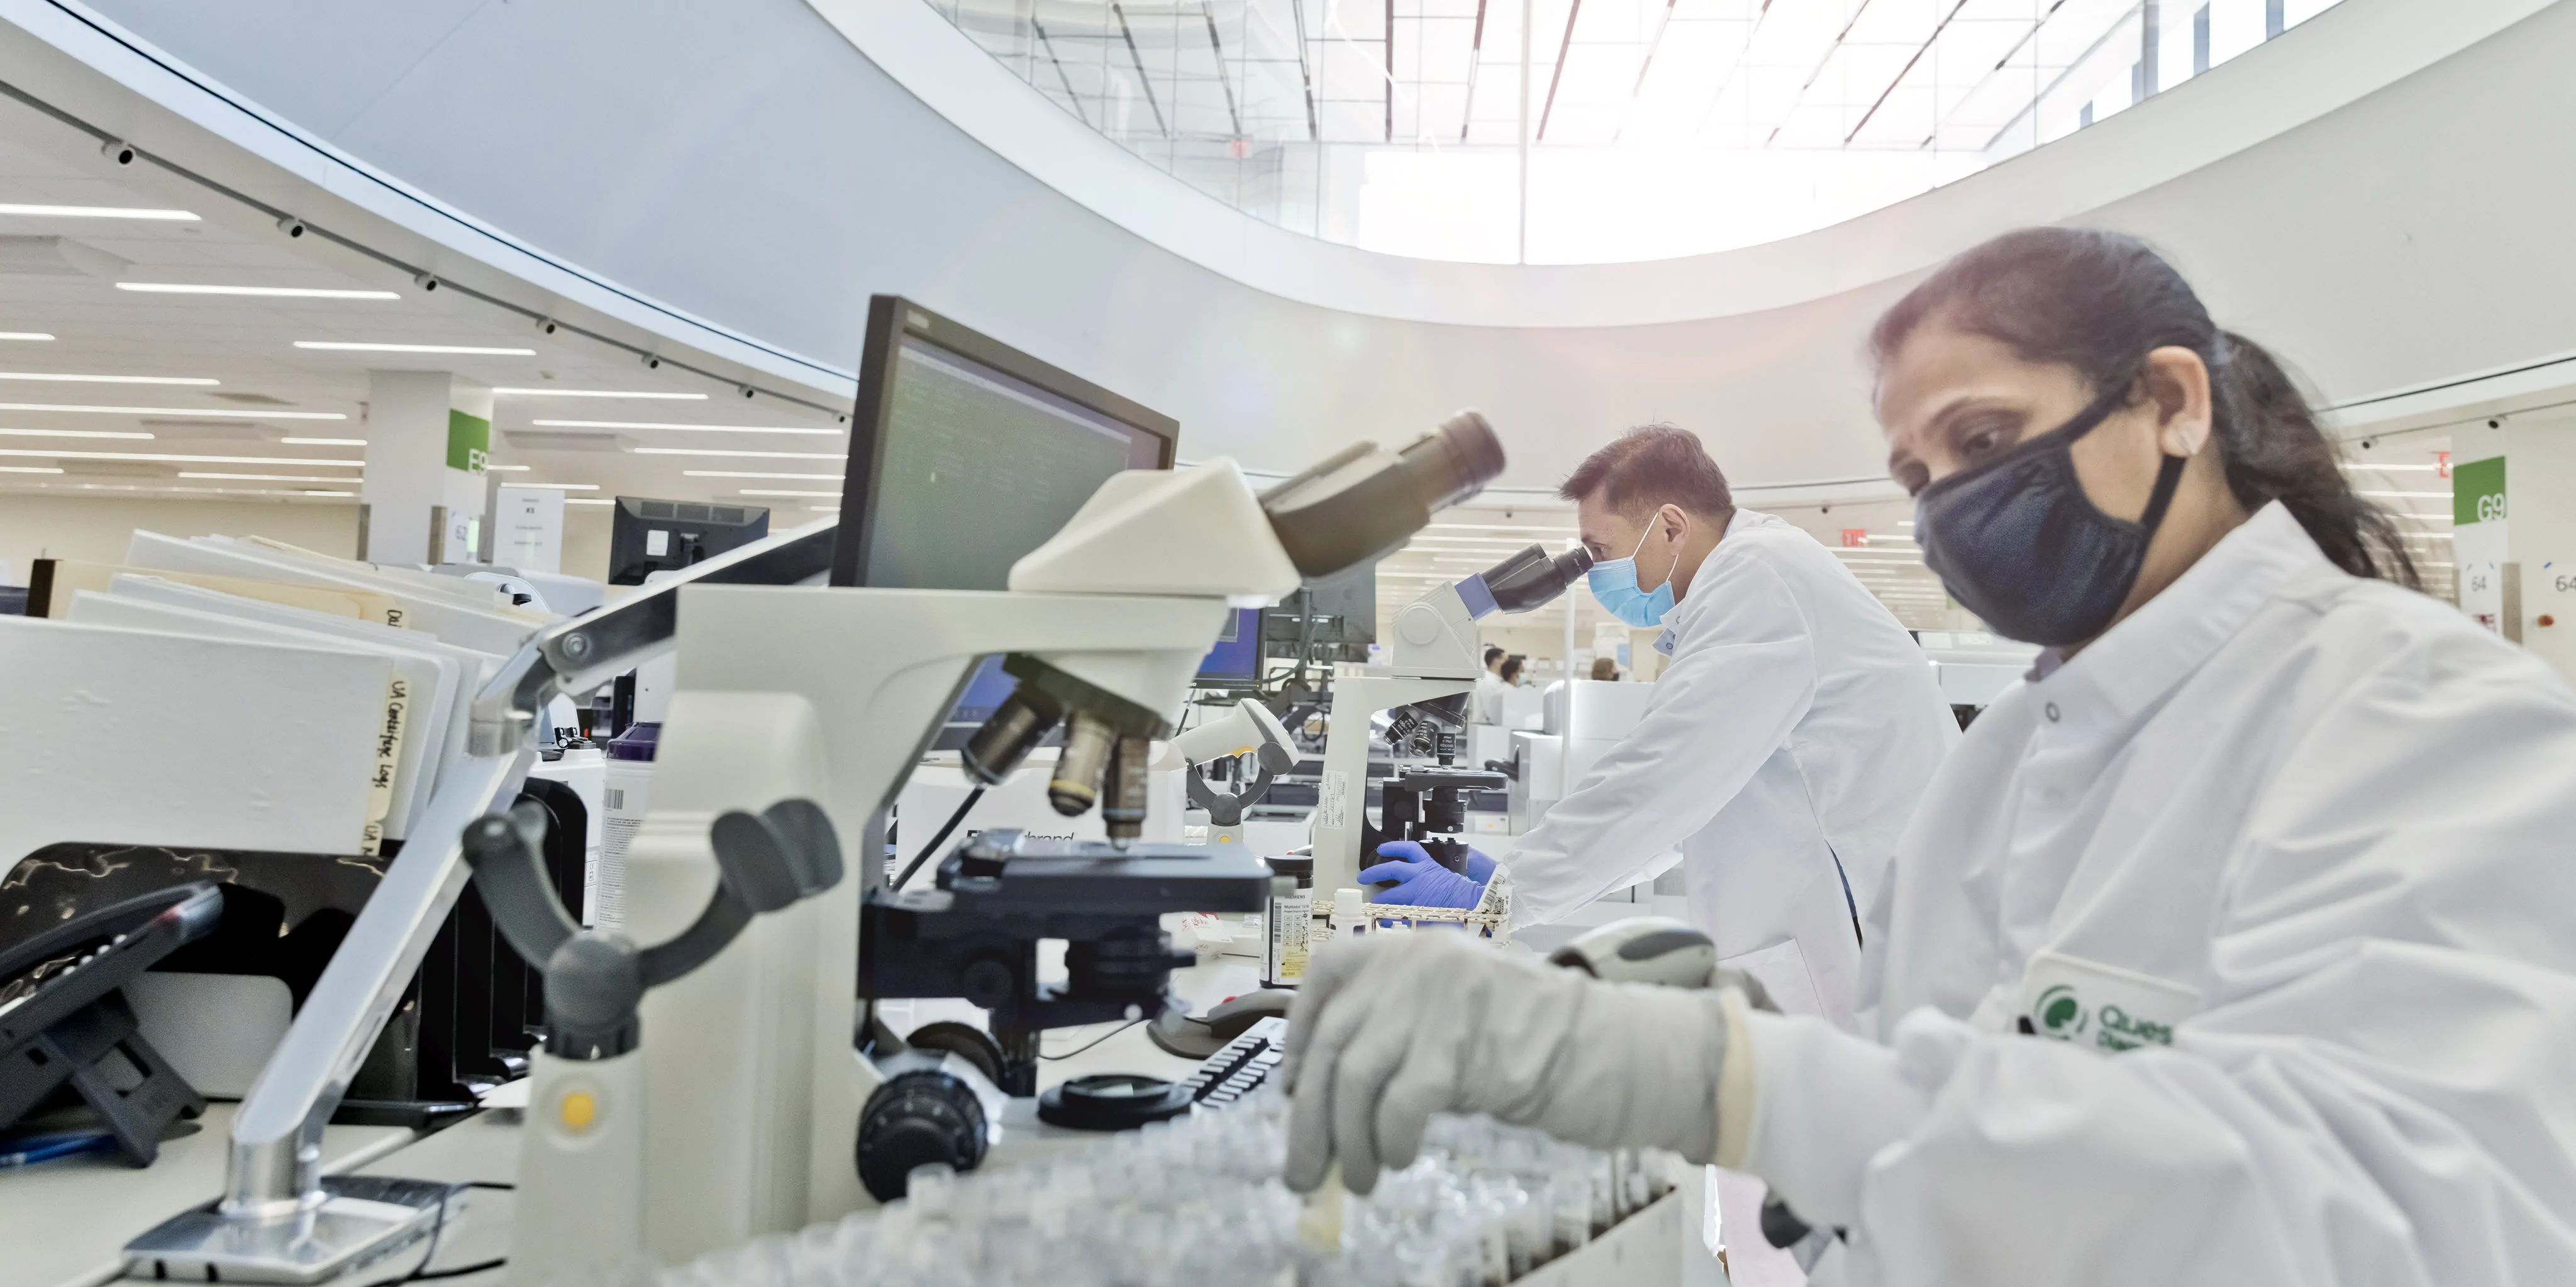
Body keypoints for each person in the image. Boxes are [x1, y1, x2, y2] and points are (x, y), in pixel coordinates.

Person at [1281, 227, 2576, 1283]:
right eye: (1913, 472)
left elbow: (2413, 1230)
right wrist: (1842, 1168)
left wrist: (1742, 1084)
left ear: (2170, 402)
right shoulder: (2015, 751)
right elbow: (1940, 1123)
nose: (1945, 504)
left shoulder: (2426, 718)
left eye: (1980, 441)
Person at [1363, 424, 1957, 1032]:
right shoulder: (1750, 580)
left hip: (1861, 933)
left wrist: (1506, 895)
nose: (1594, 575)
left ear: (1672, 527)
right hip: (1843, 927)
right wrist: (1515, 881)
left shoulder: (1759, 579)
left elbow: (1661, 777)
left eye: (1600, 550)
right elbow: (1683, 808)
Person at [1474, 644, 1511, 724]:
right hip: (1485, 726)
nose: (1507, 663)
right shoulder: (1489, 682)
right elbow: (1491, 711)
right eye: (1504, 659)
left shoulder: (1493, 680)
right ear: (1496, 661)